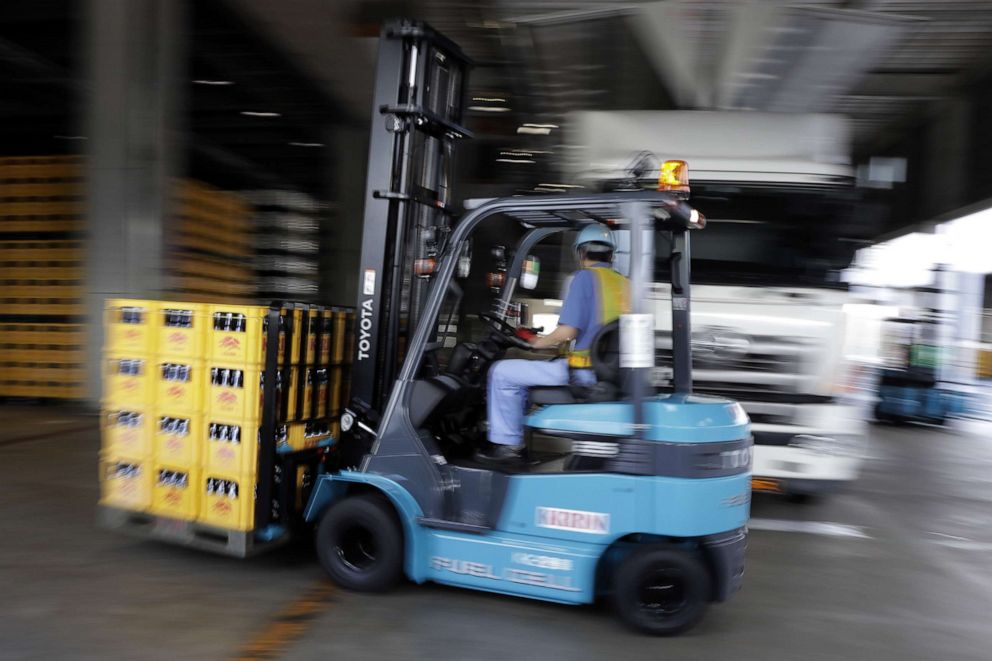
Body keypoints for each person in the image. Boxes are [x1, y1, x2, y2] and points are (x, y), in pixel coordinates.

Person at [477, 225, 630, 462]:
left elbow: (568, 331)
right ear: (611, 255)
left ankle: (508, 447)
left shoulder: (584, 278)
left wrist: (537, 343)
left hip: (584, 373)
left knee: (502, 372)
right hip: (607, 372)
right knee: (526, 375)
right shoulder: (624, 283)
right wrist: (548, 344)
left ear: (580, 253)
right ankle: (517, 435)